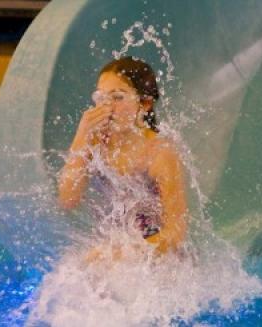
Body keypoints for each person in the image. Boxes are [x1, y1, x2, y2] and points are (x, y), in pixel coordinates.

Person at [58, 56, 187, 260]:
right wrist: (81, 136)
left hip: (159, 259)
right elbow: (68, 199)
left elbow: (176, 232)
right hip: (117, 249)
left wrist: (126, 253)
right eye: (101, 98)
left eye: (117, 97)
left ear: (144, 103)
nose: (107, 106)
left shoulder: (159, 153)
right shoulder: (96, 142)